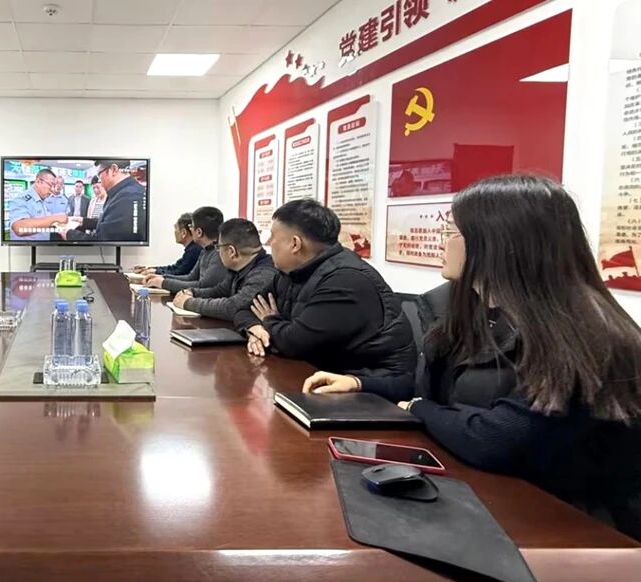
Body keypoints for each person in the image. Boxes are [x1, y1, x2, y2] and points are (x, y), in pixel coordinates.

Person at [303, 175, 641, 540]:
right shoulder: (478, 310)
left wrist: (419, 409)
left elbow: (495, 439)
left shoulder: (584, 335)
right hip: (477, 499)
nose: (444, 242)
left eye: (455, 232)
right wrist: (360, 383)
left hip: (567, 532)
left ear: (498, 243)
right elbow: (435, 388)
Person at [237, 199, 415, 380]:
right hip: (319, 372)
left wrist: (268, 320)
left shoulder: (345, 280)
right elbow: (244, 309)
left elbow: (295, 343)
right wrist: (255, 329)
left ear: (295, 244)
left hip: (368, 382)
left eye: (273, 236)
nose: (268, 242)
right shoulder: (289, 272)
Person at [172, 218, 276, 322]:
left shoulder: (264, 274)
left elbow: (232, 307)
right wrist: (192, 292)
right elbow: (220, 291)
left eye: (218, 247)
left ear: (231, 251)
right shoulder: (238, 267)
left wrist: (188, 303)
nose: (218, 252)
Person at [144, 206, 228, 295]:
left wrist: (163, 283)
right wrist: (162, 278)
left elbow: (202, 286)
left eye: (191, 226)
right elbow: (191, 278)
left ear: (199, 232)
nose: (190, 229)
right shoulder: (205, 251)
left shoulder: (219, 254)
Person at [61, 159, 147, 242]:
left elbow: (104, 241)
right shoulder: (120, 193)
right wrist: (84, 221)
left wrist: (70, 234)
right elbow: (109, 224)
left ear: (113, 170)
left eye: (99, 174)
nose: (100, 180)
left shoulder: (128, 197)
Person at [8, 168, 69, 241]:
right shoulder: (21, 199)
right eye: (51, 185)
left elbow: (43, 222)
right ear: (38, 182)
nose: (52, 190)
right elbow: (19, 228)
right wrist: (54, 218)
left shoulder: (42, 200)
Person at [133, 213, 201, 276]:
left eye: (176, 228)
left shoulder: (194, 251)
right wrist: (151, 269)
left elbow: (179, 273)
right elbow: (174, 268)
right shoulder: (192, 249)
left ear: (183, 232)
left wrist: (156, 272)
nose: (174, 232)